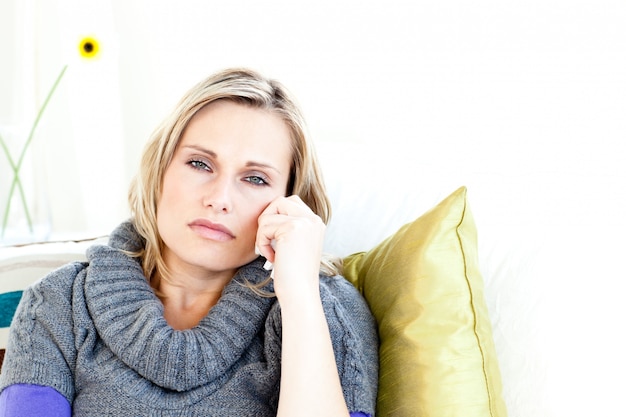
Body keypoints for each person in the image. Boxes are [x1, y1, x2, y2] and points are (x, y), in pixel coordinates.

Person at [0, 68, 378, 416]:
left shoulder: (326, 311)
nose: (219, 198)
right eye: (200, 164)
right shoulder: (55, 304)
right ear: (160, 168)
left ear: (289, 200)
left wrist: (299, 294)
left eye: (255, 179)